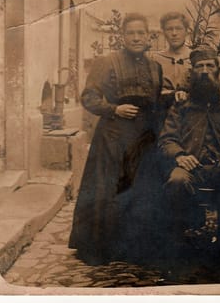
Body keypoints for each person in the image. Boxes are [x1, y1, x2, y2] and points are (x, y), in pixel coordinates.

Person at [69, 13, 163, 265]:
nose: (136, 38)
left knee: (140, 189)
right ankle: (102, 248)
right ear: (122, 37)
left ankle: (134, 248)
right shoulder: (106, 62)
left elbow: (155, 102)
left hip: (144, 138)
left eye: (140, 33)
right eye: (130, 33)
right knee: (108, 189)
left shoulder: (155, 67)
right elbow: (88, 97)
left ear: (148, 37)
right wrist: (113, 109)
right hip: (112, 137)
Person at [158, 46, 220, 256]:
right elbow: (167, 139)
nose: (204, 71)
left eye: (209, 66)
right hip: (191, 168)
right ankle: (176, 242)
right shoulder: (181, 105)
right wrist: (180, 155)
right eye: (199, 66)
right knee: (176, 182)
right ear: (192, 71)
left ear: (218, 71)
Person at [151, 12, 191, 109]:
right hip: (163, 110)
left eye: (178, 29)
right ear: (163, 32)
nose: (174, 33)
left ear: (186, 31)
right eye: (169, 29)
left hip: (190, 111)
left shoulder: (195, 58)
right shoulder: (155, 59)